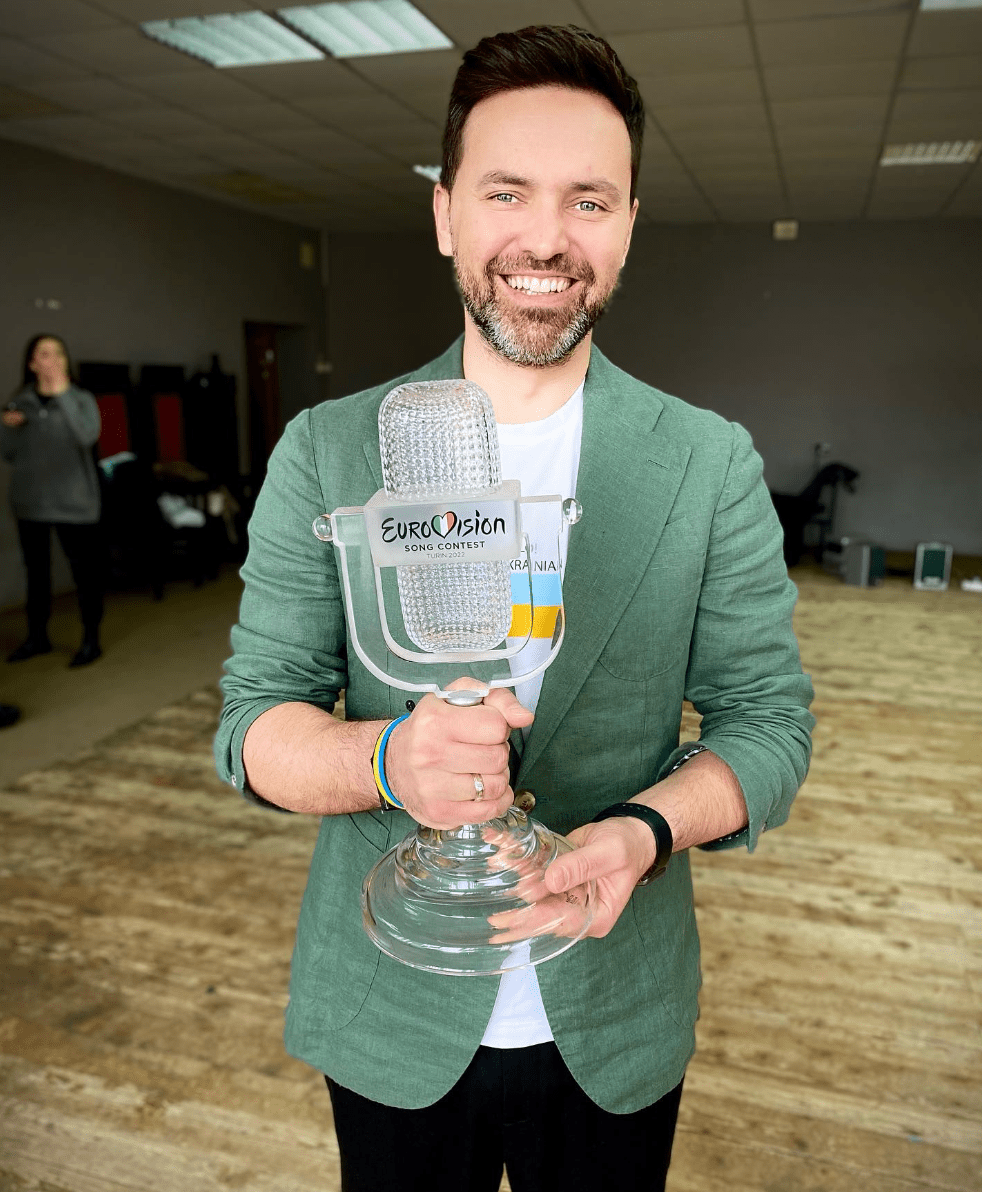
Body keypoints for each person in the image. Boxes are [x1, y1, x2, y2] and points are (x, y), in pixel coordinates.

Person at [216, 25, 814, 1192]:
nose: (546, 239)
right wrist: (387, 758)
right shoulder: (328, 450)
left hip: (614, 1019)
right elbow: (254, 724)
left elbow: (767, 725)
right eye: (506, 193)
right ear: (445, 215)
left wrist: (643, 830)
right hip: (391, 1013)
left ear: (628, 223)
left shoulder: (707, 464)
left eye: (588, 201)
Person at [1, 334, 104, 667]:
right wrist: (7, 428)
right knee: (37, 575)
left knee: (85, 575)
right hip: (31, 504)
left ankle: (91, 640)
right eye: (45, 354)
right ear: (33, 364)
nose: (54, 359)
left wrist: (62, 394)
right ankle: (37, 638)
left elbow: (87, 436)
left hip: (75, 504)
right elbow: (8, 453)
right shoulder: (20, 402)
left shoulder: (82, 399)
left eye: (59, 352)